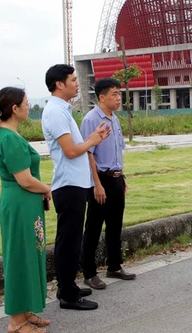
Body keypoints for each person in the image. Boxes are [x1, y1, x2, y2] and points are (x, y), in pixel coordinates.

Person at [0, 87, 51, 333]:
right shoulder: (9, 138)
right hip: (20, 202)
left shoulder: (9, 135)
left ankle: (26, 309)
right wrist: (47, 188)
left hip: (26, 204)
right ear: (15, 108)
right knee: (20, 257)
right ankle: (16, 322)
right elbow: (24, 179)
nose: (29, 106)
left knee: (30, 254)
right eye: (26, 102)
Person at [41, 64, 111, 311]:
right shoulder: (56, 112)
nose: (77, 83)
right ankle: (67, 294)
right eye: (73, 79)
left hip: (75, 183)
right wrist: (92, 140)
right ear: (59, 84)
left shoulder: (63, 110)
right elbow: (71, 151)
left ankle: (67, 285)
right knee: (68, 241)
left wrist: (95, 138)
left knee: (71, 239)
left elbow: (73, 147)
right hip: (68, 184)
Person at [80, 78, 136, 289]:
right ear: (101, 97)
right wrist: (96, 184)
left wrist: (122, 178)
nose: (118, 98)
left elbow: (117, 152)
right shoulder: (91, 120)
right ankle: (89, 272)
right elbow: (88, 154)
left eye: (119, 94)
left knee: (115, 225)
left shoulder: (114, 119)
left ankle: (114, 265)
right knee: (93, 227)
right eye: (114, 94)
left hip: (115, 178)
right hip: (100, 179)